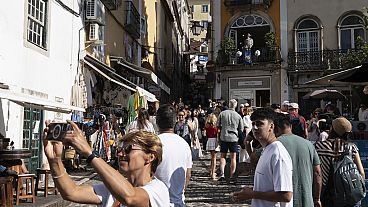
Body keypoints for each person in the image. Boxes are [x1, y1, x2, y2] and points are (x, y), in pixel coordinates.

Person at [43, 123, 169, 207]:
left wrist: (89, 152)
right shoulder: (114, 189)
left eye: (128, 149)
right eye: (120, 149)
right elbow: (70, 192)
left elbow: (130, 197)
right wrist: (55, 160)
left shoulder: (158, 189)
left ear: (150, 157)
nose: (120, 153)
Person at [232, 108, 293, 206]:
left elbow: (286, 196)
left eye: (260, 124)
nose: (255, 127)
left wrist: (253, 194)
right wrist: (249, 192)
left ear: (271, 126)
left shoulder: (278, 154)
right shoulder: (266, 150)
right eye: (253, 124)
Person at [315, 117, 365, 207]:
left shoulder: (319, 146)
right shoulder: (351, 147)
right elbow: (361, 172)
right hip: (349, 193)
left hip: (327, 194)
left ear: (332, 129)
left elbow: (317, 172)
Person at [276, 113, 322, 207]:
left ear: (275, 127)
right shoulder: (308, 144)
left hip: (283, 201)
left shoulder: (274, 144)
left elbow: (254, 158)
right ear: (291, 126)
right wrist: (317, 198)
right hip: (307, 201)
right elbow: (318, 173)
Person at [155, 104, 193, 207]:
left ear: (157, 121)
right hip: (178, 202)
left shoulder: (154, 143)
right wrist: (179, 193)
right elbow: (188, 174)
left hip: (157, 202)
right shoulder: (184, 144)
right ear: (175, 121)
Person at [216, 99, 244, 182]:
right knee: (233, 157)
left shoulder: (222, 113)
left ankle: (222, 174)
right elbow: (241, 129)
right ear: (236, 105)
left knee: (223, 156)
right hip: (234, 138)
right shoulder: (238, 116)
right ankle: (232, 175)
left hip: (224, 136)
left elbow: (218, 125)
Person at [204, 114, 219, 180]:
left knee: (212, 158)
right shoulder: (215, 126)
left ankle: (211, 172)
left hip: (209, 140)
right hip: (214, 140)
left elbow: (205, 133)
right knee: (214, 158)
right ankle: (213, 173)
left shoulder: (207, 125)